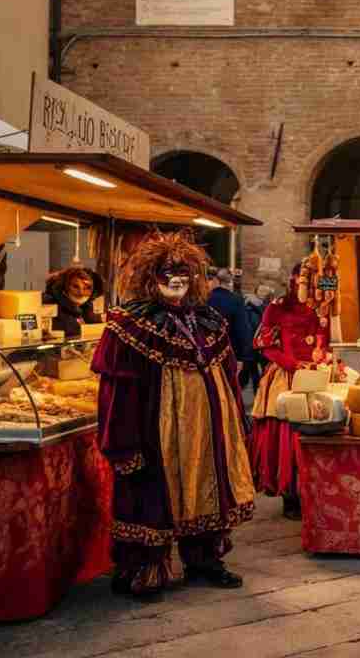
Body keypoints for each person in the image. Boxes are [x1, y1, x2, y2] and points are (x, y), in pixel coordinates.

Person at [92, 231, 255, 599]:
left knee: (206, 491)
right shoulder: (129, 325)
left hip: (206, 433)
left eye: (184, 272)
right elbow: (116, 391)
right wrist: (121, 442)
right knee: (151, 496)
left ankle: (204, 561)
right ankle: (146, 569)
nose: (177, 279)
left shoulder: (209, 320)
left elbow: (228, 377)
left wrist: (234, 426)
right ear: (150, 278)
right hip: (155, 433)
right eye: (167, 272)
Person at [251, 255, 339, 520]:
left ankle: (316, 490)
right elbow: (265, 345)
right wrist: (292, 364)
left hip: (318, 376)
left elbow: (327, 340)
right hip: (285, 378)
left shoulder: (322, 307)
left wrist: (325, 357)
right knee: (286, 436)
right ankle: (290, 495)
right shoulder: (276, 308)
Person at [208, 268, 255, 367]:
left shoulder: (205, 298)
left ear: (216, 280)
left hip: (208, 352)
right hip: (230, 352)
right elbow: (242, 329)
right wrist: (243, 357)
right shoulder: (236, 300)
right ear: (230, 281)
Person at [43, 266, 105, 338]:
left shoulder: (86, 309)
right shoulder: (52, 307)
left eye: (87, 288)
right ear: (64, 287)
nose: (81, 292)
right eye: (75, 286)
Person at [238, 284, 273, 393]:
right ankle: (258, 395)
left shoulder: (247, 306)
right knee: (256, 373)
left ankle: (256, 394)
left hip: (253, 344)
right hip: (259, 344)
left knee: (253, 373)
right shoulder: (265, 308)